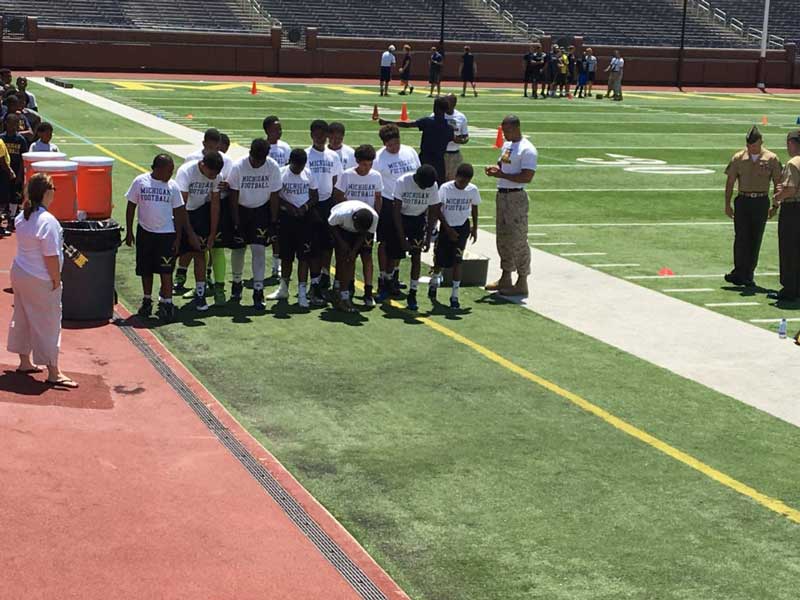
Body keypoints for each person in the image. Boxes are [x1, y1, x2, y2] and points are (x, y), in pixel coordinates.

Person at [6, 173, 77, 388]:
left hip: (20, 273)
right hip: (40, 278)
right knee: (49, 323)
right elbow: (51, 257)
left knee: (22, 316)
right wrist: (56, 280)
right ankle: (53, 371)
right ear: (47, 193)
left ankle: (25, 361)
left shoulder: (22, 216)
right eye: (53, 189)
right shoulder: (48, 222)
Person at [125, 154, 189, 323]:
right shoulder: (140, 181)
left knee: (166, 270)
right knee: (145, 269)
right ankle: (147, 300)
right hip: (145, 232)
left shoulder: (173, 186)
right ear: (158, 169)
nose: (171, 174)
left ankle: (167, 303)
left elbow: (179, 213)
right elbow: (131, 205)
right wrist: (130, 231)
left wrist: (178, 237)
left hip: (167, 235)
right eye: (169, 170)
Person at [225, 138, 282, 310]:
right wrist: (236, 222)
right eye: (255, 159)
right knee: (239, 249)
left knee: (259, 250)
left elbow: (274, 195)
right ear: (250, 154)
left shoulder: (272, 167)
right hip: (241, 210)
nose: (257, 163)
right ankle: (236, 283)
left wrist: (273, 220)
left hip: (261, 212)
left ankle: (258, 289)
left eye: (261, 160)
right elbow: (233, 195)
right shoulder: (238, 166)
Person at [484, 115, 537, 297]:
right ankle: (505, 276)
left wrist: (502, 175)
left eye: (506, 130)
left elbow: (527, 177)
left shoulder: (527, 149)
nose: (504, 133)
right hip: (503, 195)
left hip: (516, 197)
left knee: (518, 239)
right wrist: (496, 169)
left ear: (516, 128)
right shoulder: (508, 145)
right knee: (503, 237)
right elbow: (504, 164)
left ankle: (522, 280)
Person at [723, 126, 782, 288]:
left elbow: (778, 183)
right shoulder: (738, 158)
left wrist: (775, 205)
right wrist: (727, 204)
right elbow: (730, 182)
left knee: (755, 238)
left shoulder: (771, 159)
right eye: (749, 145)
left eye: (754, 145)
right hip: (743, 200)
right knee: (740, 237)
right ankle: (739, 271)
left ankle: (748, 274)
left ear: (761, 142)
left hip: (761, 201)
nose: (751, 148)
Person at [333, 144, 383, 307]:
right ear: (357, 162)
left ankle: (368, 291)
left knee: (367, 257)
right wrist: (352, 210)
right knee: (349, 257)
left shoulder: (375, 176)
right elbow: (339, 194)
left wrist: (373, 214)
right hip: (350, 222)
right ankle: (348, 286)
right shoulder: (347, 175)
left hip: (367, 222)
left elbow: (378, 197)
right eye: (364, 164)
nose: (367, 168)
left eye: (369, 164)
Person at [374, 124, 421, 298]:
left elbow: (418, 173)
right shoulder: (379, 158)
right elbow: (376, 184)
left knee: (400, 242)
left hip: (408, 203)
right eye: (390, 145)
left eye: (396, 143)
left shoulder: (410, 152)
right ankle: (383, 278)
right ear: (384, 144)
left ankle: (393, 274)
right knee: (385, 241)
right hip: (388, 202)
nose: (394, 147)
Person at [174, 151, 224, 311]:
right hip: (180, 212)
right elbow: (181, 206)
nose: (213, 177)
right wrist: (191, 234)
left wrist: (212, 234)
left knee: (200, 252)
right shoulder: (186, 172)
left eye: (216, 174)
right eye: (211, 173)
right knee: (175, 251)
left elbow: (215, 205)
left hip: (199, 211)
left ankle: (200, 294)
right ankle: (165, 295)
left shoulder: (217, 175)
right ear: (203, 165)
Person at [429, 163, 480, 309]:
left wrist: (475, 227)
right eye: (461, 181)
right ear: (456, 177)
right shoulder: (445, 188)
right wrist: (447, 228)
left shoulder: (472, 190)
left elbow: (475, 207)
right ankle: (434, 281)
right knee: (440, 259)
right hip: (447, 227)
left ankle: (455, 295)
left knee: (458, 260)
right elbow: (438, 209)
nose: (463, 185)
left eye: (466, 182)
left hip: (462, 227)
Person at [272, 148, 319, 308]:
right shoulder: (281, 173)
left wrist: (304, 207)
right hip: (286, 219)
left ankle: (301, 292)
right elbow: (276, 195)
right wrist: (288, 207)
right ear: (290, 162)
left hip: (305, 220)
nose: (299, 169)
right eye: (296, 166)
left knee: (304, 257)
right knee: (286, 256)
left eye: (301, 166)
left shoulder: (308, 174)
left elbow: (314, 196)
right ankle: (283, 288)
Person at [389, 165, 439, 310]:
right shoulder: (402, 181)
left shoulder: (432, 185)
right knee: (394, 254)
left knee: (416, 257)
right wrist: (402, 237)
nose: (424, 189)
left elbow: (433, 211)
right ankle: (389, 282)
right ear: (417, 179)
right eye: (422, 186)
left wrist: (428, 236)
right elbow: (396, 211)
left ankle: (413, 292)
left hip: (418, 221)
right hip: (402, 219)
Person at [305, 119, 342, 304]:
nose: (320, 138)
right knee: (313, 246)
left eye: (323, 134)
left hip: (328, 203)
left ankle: (325, 275)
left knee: (328, 244)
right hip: (311, 204)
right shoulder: (306, 155)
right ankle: (313, 282)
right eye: (317, 134)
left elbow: (336, 181)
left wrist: (337, 204)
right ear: (311, 135)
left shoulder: (333, 157)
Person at [379, 97, 454, 185]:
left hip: (425, 159)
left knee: (419, 184)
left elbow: (407, 124)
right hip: (439, 162)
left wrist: (387, 122)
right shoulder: (449, 128)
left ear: (435, 108)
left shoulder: (428, 122)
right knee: (438, 186)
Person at [328, 200, 379, 313]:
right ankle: (340, 295)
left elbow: (364, 233)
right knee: (342, 260)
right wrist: (342, 243)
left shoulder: (374, 218)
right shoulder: (341, 214)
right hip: (340, 229)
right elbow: (331, 225)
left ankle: (345, 295)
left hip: (358, 235)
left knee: (350, 260)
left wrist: (354, 251)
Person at [768, 130, 800, 301]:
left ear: (791, 143)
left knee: (788, 249)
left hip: (793, 210)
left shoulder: (793, 163)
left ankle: (789, 289)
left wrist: (776, 198)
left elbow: (791, 189)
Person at [0, 114, 29, 228]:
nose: (13, 126)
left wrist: (21, 175)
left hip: (16, 172)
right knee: (3, 197)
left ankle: (12, 219)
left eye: (15, 124)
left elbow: (23, 159)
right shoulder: (2, 138)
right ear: (6, 124)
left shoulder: (20, 139)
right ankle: (4, 219)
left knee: (14, 197)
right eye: (11, 123)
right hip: (3, 173)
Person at [442, 94, 469, 182]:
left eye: (449, 101)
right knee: (440, 181)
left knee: (454, 182)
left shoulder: (461, 117)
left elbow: (466, 136)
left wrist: (459, 140)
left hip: (455, 154)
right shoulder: (437, 115)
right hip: (440, 153)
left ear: (454, 103)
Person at [0, 137, 17, 237]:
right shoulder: (0, 142)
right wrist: (10, 171)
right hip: (2, 175)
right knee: (2, 203)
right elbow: (2, 160)